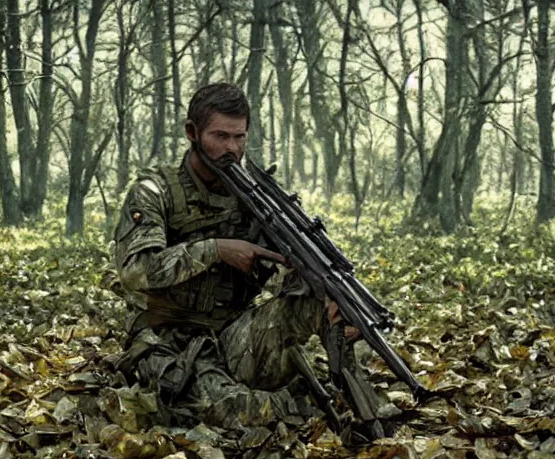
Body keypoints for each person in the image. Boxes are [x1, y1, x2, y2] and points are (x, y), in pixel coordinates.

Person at [112, 82, 374, 434]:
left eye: (239, 137)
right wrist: (217, 249)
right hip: (166, 340)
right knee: (233, 411)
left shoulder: (257, 194)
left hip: (235, 336)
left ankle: (365, 410)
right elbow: (134, 271)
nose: (231, 149)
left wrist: (325, 299)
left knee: (327, 303)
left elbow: (293, 265)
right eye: (220, 136)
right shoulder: (155, 191)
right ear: (192, 132)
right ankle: (311, 404)